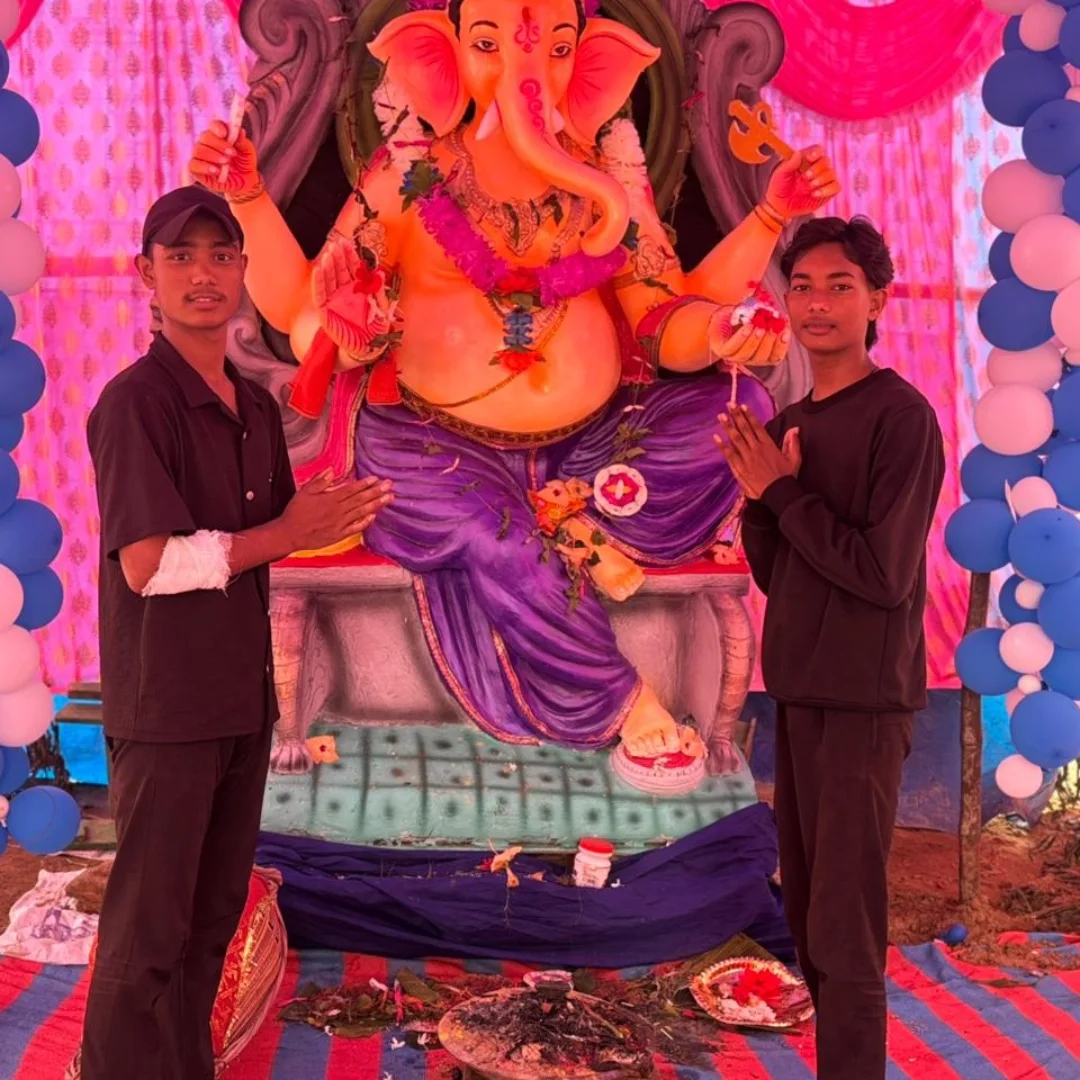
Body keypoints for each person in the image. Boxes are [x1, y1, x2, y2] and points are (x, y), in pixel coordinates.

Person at [80, 186, 393, 1080]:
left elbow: (267, 537)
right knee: (149, 927)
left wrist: (324, 517)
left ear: (245, 273)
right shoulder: (136, 404)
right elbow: (150, 564)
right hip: (167, 705)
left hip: (241, 699)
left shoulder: (254, 407)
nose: (203, 274)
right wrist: (289, 532)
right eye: (180, 257)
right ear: (146, 275)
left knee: (210, 920)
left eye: (221, 256)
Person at [716, 216, 944, 1080]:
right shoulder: (792, 420)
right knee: (809, 919)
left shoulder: (901, 418)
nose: (817, 303)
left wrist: (782, 491)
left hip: (863, 702)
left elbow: (882, 575)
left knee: (846, 932)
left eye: (839, 286)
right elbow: (782, 574)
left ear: (876, 300)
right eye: (802, 287)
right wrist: (756, 499)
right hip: (801, 692)